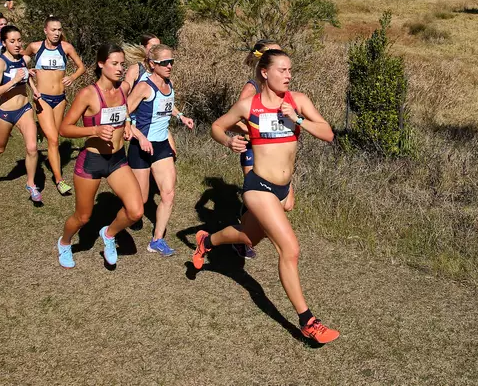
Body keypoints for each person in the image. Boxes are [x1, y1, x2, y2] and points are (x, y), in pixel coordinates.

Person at [193, 49, 339, 344]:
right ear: (264, 72)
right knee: (290, 249)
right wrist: (228, 140)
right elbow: (217, 127)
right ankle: (307, 321)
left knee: (248, 237)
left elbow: (328, 133)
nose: (288, 75)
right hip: (258, 187)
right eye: (282, 70)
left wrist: (297, 118)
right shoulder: (249, 106)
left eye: (290, 71)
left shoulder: (298, 101)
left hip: (283, 189)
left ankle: (206, 241)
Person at [56, 44, 143, 269]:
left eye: (122, 64)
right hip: (92, 161)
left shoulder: (123, 90)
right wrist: (93, 130)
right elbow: (64, 128)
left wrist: (126, 126)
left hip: (117, 160)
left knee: (136, 211)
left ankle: (109, 234)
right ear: (101, 64)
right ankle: (64, 243)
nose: (119, 68)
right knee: (83, 217)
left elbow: (123, 113)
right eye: (114, 63)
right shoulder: (88, 94)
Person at [126, 44, 194, 256]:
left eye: (172, 61)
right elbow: (124, 112)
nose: (170, 66)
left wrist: (180, 116)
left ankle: (157, 240)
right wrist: (140, 136)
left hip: (161, 144)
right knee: (141, 201)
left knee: (168, 193)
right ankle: (115, 227)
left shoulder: (169, 83)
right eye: (165, 62)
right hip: (141, 146)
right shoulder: (144, 87)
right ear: (152, 64)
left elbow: (168, 103)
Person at [230, 39, 284, 259]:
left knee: (275, 199)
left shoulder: (277, 88)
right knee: (256, 197)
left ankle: (249, 233)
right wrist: (253, 132)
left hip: (272, 153)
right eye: (276, 54)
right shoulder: (252, 87)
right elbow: (233, 119)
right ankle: (242, 240)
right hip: (253, 149)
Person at [24, 16, 85, 196]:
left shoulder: (66, 48)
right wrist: (26, 70)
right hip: (42, 98)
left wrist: (72, 77)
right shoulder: (35, 47)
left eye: (59, 30)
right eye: (53, 30)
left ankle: (40, 127)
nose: (57, 33)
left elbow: (81, 67)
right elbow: (21, 61)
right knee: (53, 140)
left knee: (55, 134)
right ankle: (59, 179)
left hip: (60, 99)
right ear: (45, 31)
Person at [0, 24, 43, 202]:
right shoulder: (0, 62)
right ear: (4, 42)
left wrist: (34, 88)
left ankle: (31, 184)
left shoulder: (24, 60)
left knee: (32, 148)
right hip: (5, 112)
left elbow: (26, 75)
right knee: (0, 147)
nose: (17, 44)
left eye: (19, 40)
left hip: (24, 109)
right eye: (12, 41)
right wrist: (14, 80)